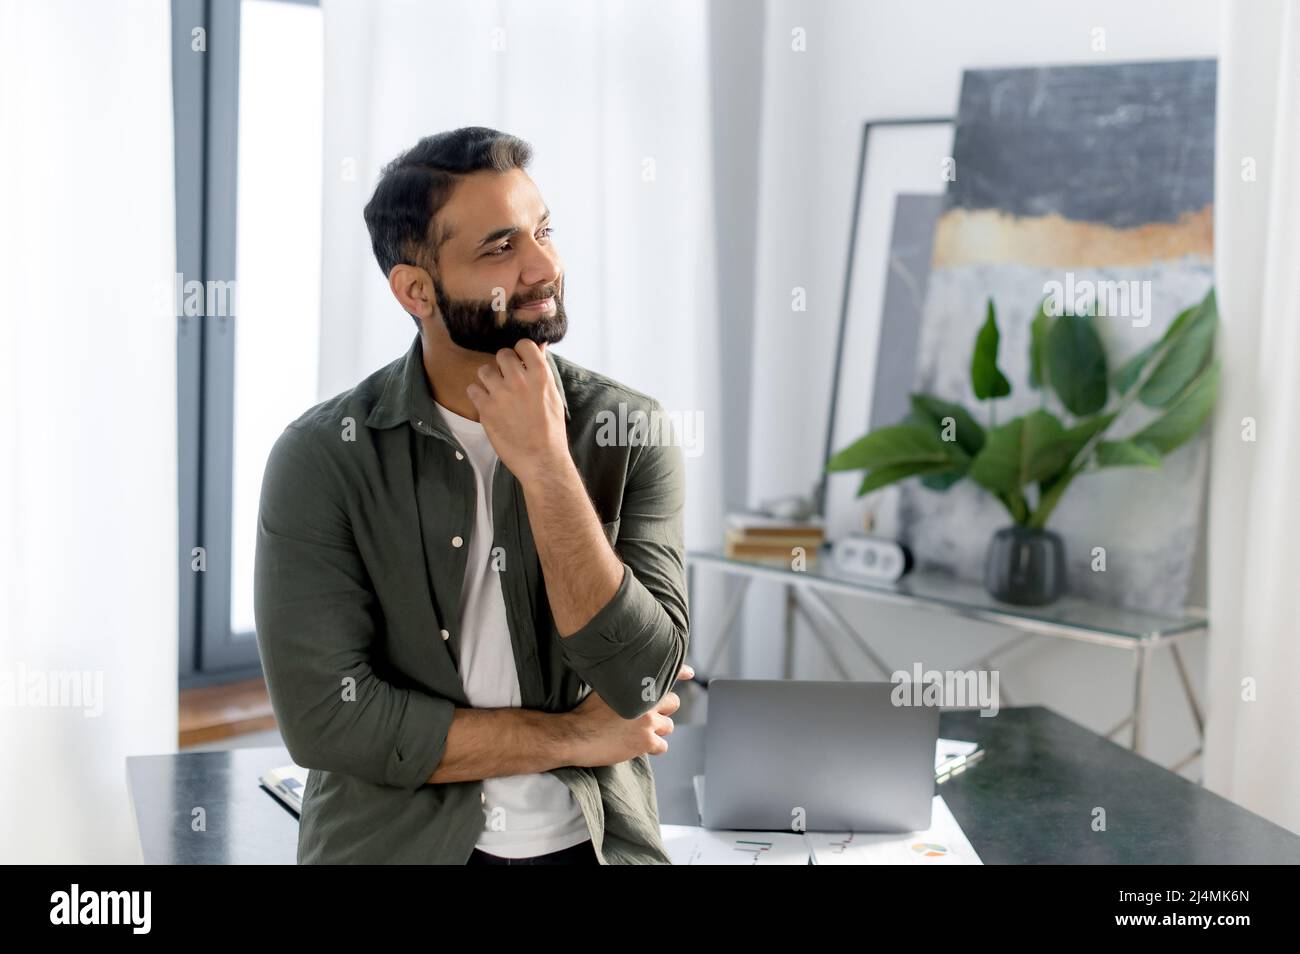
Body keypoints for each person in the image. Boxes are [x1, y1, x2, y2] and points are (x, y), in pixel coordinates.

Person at [254, 127, 692, 864]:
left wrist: (549, 466)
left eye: (543, 231)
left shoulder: (628, 430)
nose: (544, 265)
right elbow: (329, 720)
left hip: (592, 846)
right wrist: (577, 737)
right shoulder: (323, 458)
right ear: (415, 290)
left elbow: (641, 678)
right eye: (500, 248)